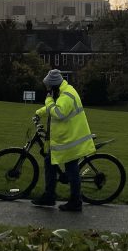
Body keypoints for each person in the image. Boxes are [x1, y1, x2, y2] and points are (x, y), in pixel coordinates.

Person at [31, 69, 95, 212]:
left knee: (72, 170)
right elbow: (53, 107)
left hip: (71, 140)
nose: (47, 89)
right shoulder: (62, 91)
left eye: (48, 87)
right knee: (49, 161)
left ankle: (76, 202)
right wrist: (39, 112)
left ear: (53, 85)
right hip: (65, 138)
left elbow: (58, 112)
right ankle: (49, 196)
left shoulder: (66, 95)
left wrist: (47, 99)